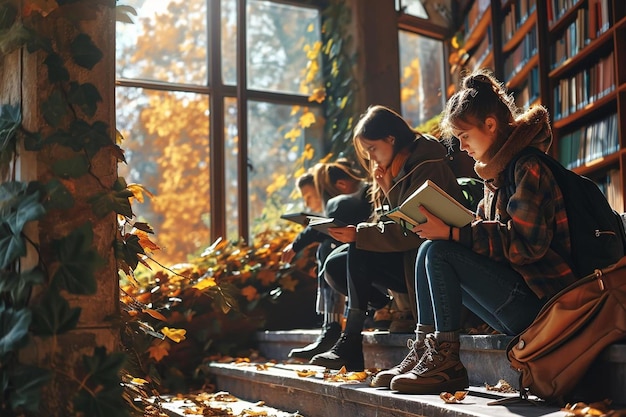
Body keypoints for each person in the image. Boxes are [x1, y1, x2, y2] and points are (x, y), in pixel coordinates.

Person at [380, 68, 577, 394]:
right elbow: (491, 238)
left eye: (465, 136)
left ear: (490, 125)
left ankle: (446, 359)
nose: (462, 146)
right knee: (429, 247)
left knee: (440, 249)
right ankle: (425, 348)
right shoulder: (495, 175)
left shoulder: (529, 166)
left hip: (546, 305)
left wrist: (458, 233)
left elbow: (526, 245)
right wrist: (453, 227)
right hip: (519, 296)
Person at [309, 104, 465, 371]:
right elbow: (390, 222)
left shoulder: (427, 163)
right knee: (333, 265)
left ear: (391, 139)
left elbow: (414, 229)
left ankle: (351, 342)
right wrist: (386, 190)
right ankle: (387, 309)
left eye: (372, 148)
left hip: (428, 261)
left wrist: (360, 231)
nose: (371, 157)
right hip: (407, 256)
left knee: (359, 244)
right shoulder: (391, 167)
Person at [282, 160, 389, 361]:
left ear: (341, 185)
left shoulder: (351, 199)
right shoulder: (363, 195)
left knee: (329, 249)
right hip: (376, 256)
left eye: (310, 195)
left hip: (381, 257)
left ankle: (332, 328)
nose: (308, 203)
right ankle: (331, 327)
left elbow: (327, 227)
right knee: (327, 248)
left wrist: (296, 245)